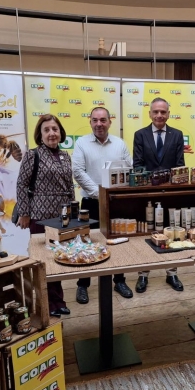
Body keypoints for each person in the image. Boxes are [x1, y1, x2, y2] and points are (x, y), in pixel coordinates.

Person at [72, 106, 134, 303]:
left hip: (116, 203)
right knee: (87, 243)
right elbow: (78, 171)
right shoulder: (81, 143)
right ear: (90, 122)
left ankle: (119, 281)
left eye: (103, 120)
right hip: (90, 203)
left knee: (118, 242)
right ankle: (83, 285)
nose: (99, 124)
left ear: (109, 122)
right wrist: (100, 194)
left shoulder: (119, 144)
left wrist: (111, 194)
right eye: (95, 120)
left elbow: (129, 168)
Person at [16, 114, 75, 318]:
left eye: (55, 129)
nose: (52, 133)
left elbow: (70, 186)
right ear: (40, 135)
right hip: (40, 216)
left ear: (61, 133)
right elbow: (22, 184)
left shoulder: (65, 155)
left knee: (58, 259)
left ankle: (58, 301)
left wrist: (73, 212)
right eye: (47, 130)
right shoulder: (33, 155)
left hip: (62, 217)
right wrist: (24, 213)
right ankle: (47, 304)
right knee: (43, 262)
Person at [132, 97, 185, 293]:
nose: (159, 115)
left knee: (171, 232)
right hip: (146, 193)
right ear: (150, 114)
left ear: (168, 114)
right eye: (156, 112)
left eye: (163, 112)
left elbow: (179, 165)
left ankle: (172, 273)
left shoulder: (177, 135)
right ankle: (143, 274)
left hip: (170, 194)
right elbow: (138, 165)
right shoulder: (140, 135)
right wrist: (153, 181)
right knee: (145, 233)